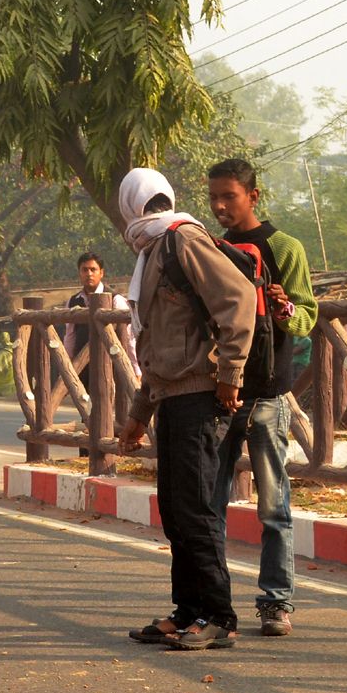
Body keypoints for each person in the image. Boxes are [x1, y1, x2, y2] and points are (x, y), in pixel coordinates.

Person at [116, 168, 255, 651]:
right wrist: (139, 414)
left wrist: (230, 374)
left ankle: (218, 615)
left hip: (200, 394)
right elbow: (154, 345)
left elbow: (237, 299)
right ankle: (188, 610)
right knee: (176, 510)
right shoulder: (153, 250)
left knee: (195, 508)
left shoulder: (183, 239)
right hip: (171, 396)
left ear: (129, 206)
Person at [206, 156, 318, 637]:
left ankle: (276, 602)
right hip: (217, 394)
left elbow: (308, 314)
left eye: (228, 196)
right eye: (213, 198)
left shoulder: (284, 247)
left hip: (268, 396)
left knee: (273, 506)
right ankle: (212, 603)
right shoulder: (209, 249)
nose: (219, 206)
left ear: (253, 196)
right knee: (209, 504)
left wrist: (284, 307)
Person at [65, 252, 128, 361]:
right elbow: (70, 336)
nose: (89, 274)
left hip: (113, 365)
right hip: (81, 367)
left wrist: (135, 369)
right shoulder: (73, 301)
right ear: (79, 273)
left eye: (93, 269)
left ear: (101, 273)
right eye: (84, 270)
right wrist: (67, 363)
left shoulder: (116, 300)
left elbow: (129, 337)